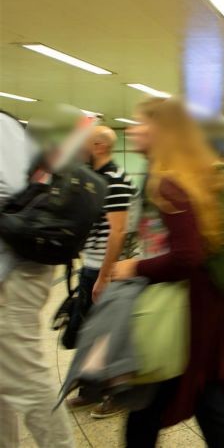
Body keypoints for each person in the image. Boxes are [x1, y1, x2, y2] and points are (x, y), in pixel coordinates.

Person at [110, 98, 224, 447]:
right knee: (205, 398)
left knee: (148, 409)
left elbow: (186, 255)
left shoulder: (168, 185)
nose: (132, 130)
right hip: (198, 308)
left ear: (161, 131)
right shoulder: (189, 179)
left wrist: (132, 266)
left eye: (140, 123)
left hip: (177, 313)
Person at [0, 111, 75, 448]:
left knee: (26, 378)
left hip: (13, 272)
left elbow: (14, 193)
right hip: (16, 267)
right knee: (7, 380)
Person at [66, 126, 135, 418]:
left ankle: (117, 393)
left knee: (110, 334)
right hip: (90, 266)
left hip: (109, 269)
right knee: (89, 330)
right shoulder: (91, 179)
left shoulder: (116, 181)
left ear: (99, 146)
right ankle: (91, 389)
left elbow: (117, 232)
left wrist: (106, 276)